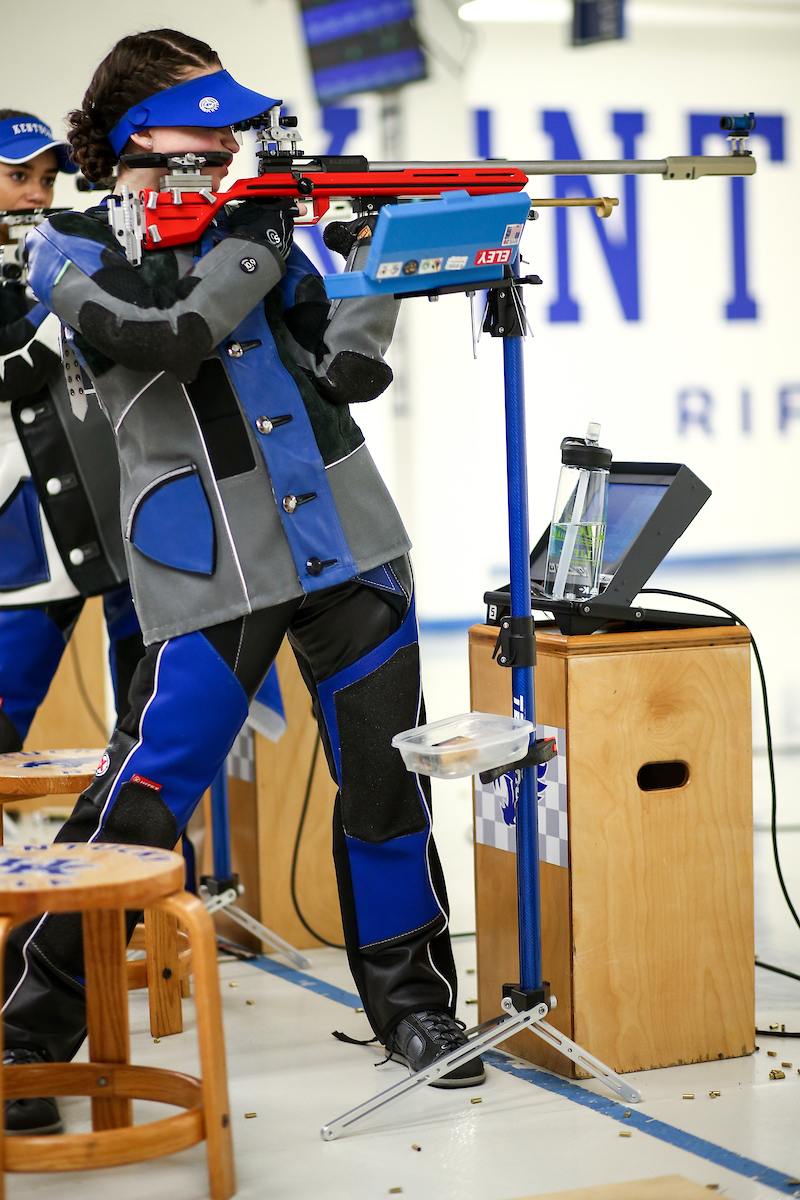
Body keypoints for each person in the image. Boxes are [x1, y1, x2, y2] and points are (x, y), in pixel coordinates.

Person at [5, 27, 483, 1134]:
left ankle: (413, 1007)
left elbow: (344, 374)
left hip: (349, 543)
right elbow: (168, 336)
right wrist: (264, 233)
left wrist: (377, 264)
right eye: (197, 118)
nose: (222, 141)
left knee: (385, 786)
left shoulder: (253, 228)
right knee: (148, 800)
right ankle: (28, 1031)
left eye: (228, 123)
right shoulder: (66, 246)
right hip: (205, 566)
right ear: (131, 130)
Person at [0, 109, 143, 759]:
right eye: (17, 176)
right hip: (20, 542)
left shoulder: (48, 255)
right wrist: (68, 291)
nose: (37, 194)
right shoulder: (55, 268)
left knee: (145, 742)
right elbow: (13, 369)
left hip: (115, 523)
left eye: (48, 179)